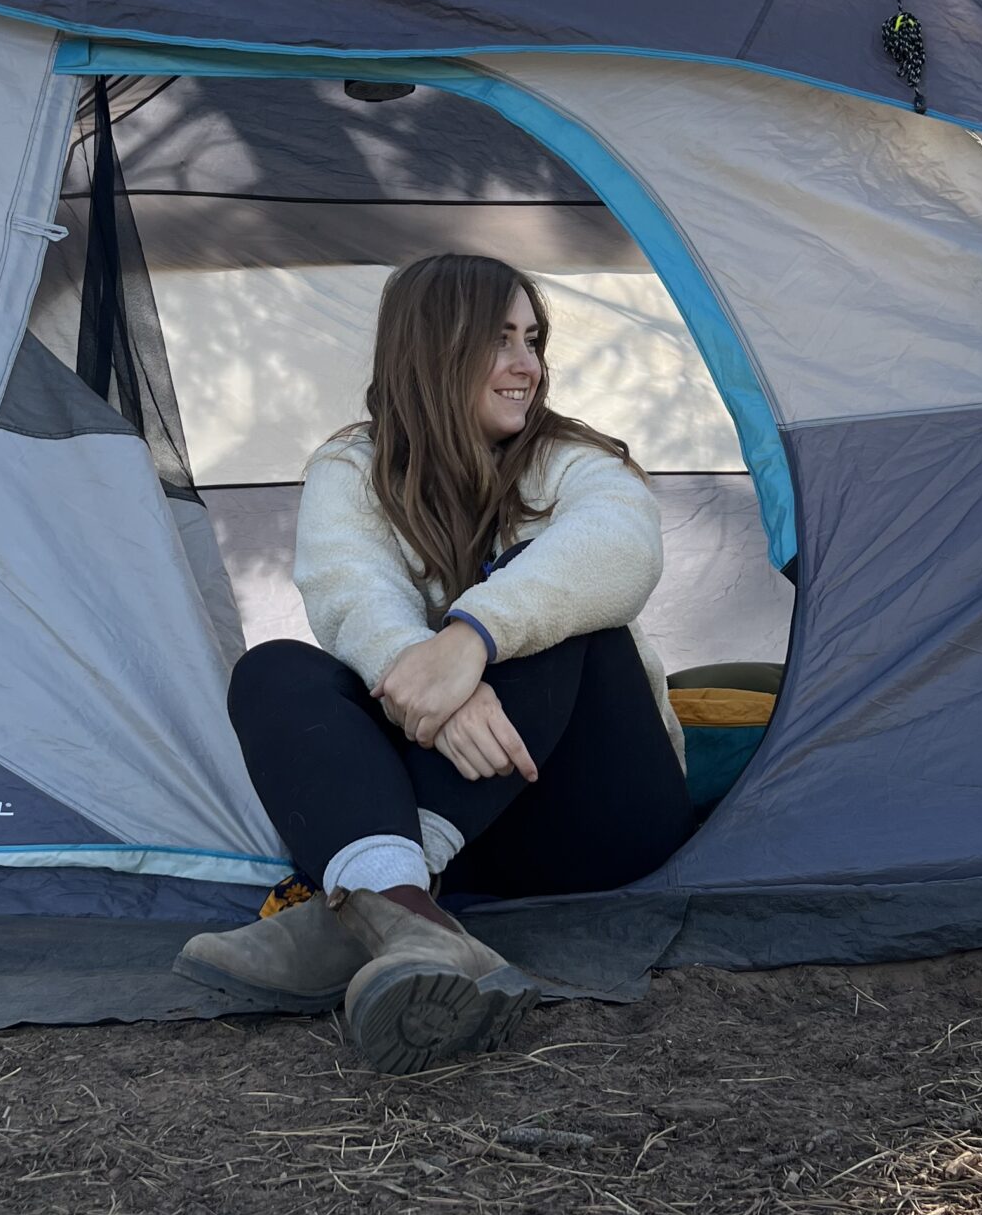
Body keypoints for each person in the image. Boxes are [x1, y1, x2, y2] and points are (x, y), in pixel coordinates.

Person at [177, 252, 694, 1074]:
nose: (529, 365)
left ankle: (358, 908)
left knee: (568, 619)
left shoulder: (572, 460)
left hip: (597, 817)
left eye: (533, 340)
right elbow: (352, 595)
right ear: (436, 347)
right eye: (502, 340)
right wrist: (429, 676)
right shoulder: (354, 467)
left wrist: (471, 641)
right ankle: (409, 911)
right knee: (276, 668)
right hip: (465, 832)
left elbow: (620, 546)